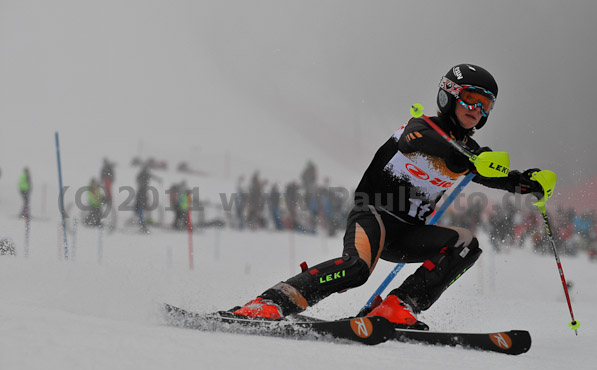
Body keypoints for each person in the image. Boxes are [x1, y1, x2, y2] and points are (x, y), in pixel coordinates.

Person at [231, 64, 546, 326]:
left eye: (485, 105)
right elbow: (414, 142)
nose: (476, 110)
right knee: (356, 270)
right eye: (470, 100)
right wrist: (470, 159)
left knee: (466, 245)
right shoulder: (421, 126)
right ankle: (271, 302)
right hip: (374, 216)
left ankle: (398, 306)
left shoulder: (471, 154)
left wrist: (528, 183)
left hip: (409, 234)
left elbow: (498, 178)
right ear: (449, 96)